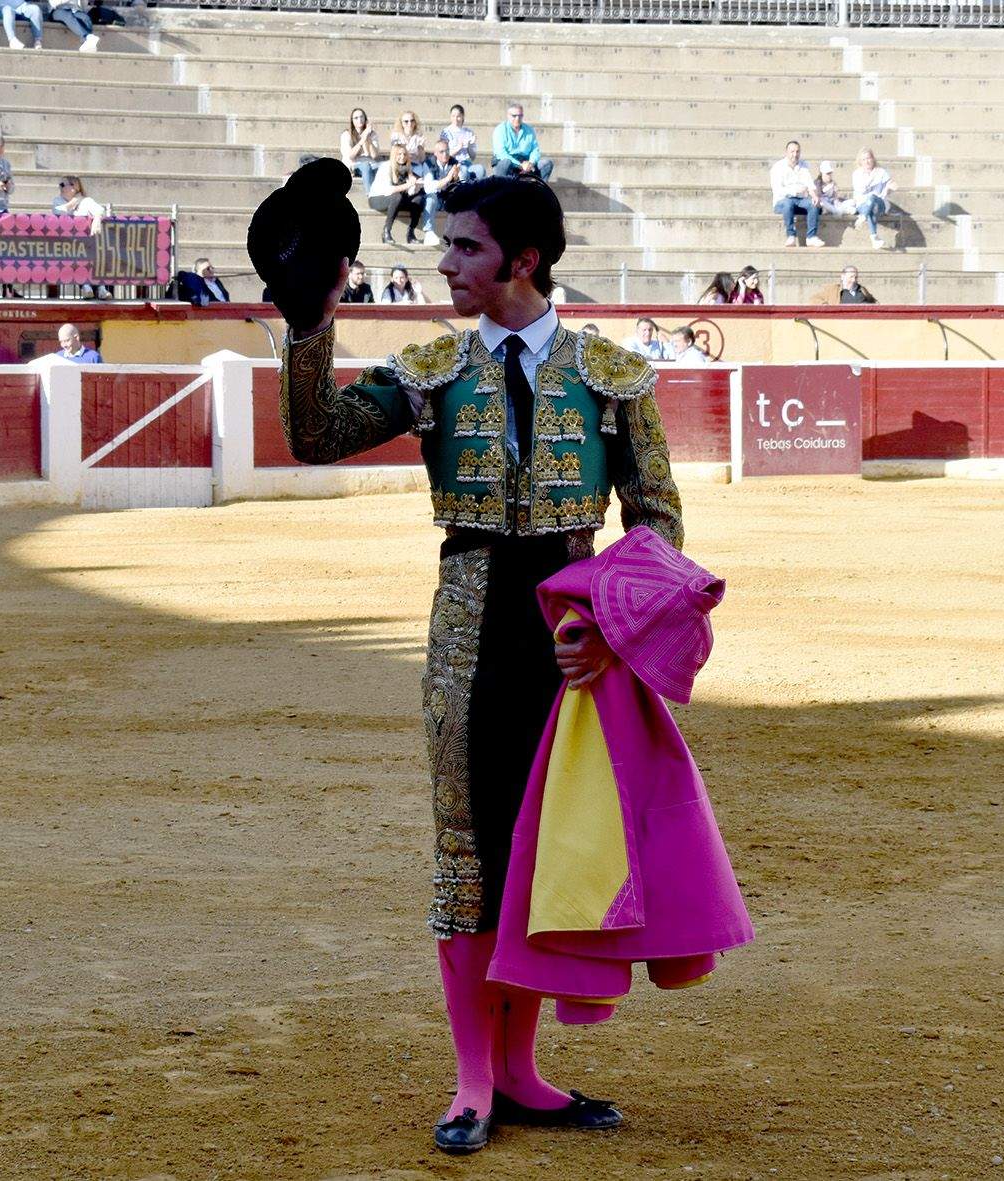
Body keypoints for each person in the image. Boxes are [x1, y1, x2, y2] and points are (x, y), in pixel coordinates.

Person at [271, 171, 690, 1156]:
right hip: (465, 627)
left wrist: (614, 622)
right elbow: (313, 435)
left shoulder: (608, 372)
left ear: (523, 260)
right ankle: (472, 1076)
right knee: (466, 851)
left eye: (462, 247)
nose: (445, 263)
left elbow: (659, 516)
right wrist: (308, 322)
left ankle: (518, 1070)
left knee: (544, 850)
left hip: (569, 636)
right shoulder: (430, 367)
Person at [370, 143, 427, 245]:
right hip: (377, 198)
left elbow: (410, 192)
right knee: (397, 196)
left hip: (397, 199)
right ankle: (386, 231)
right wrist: (409, 184)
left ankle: (411, 234)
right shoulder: (386, 166)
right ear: (393, 155)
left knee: (418, 199)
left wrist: (417, 186)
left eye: (405, 154)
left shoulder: (407, 168)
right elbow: (389, 190)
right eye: (399, 154)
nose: (402, 157)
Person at [769, 140, 822, 248]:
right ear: (786, 152)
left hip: (800, 200)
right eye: (792, 151)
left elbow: (809, 184)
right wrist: (795, 192)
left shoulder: (804, 165)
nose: (795, 154)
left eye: (797, 151)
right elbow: (777, 190)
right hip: (782, 201)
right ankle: (790, 236)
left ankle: (811, 237)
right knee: (788, 204)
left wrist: (814, 195)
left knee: (813, 203)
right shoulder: (778, 167)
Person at [420, 138, 465, 247]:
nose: (445, 154)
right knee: (431, 197)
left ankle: (459, 234)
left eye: (447, 151)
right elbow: (429, 187)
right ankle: (429, 232)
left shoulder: (454, 163)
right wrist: (448, 179)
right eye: (441, 152)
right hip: (432, 201)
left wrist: (456, 178)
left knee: (462, 197)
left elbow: (463, 185)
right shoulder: (428, 164)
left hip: (447, 200)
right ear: (435, 153)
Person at [491, 104, 554, 182]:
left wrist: (531, 163)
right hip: (509, 164)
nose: (517, 118)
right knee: (505, 163)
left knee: (547, 163)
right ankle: (502, 192)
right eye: (514, 116)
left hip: (526, 165)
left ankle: (538, 192)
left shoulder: (529, 130)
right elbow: (501, 154)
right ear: (508, 116)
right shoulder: (500, 130)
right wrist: (520, 165)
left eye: (520, 116)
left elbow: (535, 150)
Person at [851, 149, 895, 250]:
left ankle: (863, 217)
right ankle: (874, 237)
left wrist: (890, 187)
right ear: (860, 161)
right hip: (863, 203)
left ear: (873, 159)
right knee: (869, 208)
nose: (867, 161)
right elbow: (860, 191)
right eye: (864, 159)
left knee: (873, 197)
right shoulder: (856, 174)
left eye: (868, 158)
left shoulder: (881, 172)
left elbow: (892, 185)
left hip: (879, 203)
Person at [440, 104, 486, 181]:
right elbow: (443, 155)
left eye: (458, 116)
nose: (455, 119)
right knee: (463, 171)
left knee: (480, 169)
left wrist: (470, 146)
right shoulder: (446, 132)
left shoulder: (469, 132)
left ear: (462, 117)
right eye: (453, 116)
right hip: (452, 164)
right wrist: (458, 148)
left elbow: (473, 156)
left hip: (467, 163)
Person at [341, 108, 381, 191]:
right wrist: (362, 140)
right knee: (366, 165)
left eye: (361, 117)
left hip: (371, 164)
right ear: (352, 121)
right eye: (356, 118)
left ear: (365, 119)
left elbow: (374, 156)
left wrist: (368, 137)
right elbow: (350, 156)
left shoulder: (372, 134)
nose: (359, 120)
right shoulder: (346, 135)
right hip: (354, 165)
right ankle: (370, 195)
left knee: (385, 167)